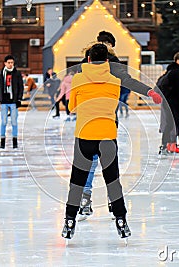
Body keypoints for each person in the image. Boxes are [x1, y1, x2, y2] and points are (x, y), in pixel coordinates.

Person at [76, 30, 162, 220]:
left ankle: (86, 199)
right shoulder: (113, 65)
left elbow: (75, 92)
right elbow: (129, 82)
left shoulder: (85, 64)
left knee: (89, 161)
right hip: (106, 120)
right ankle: (111, 201)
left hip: (86, 121)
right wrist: (149, 92)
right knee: (108, 162)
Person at [61, 43, 130, 240]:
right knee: (113, 181)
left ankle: (69, 221)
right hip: (107, 135)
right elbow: (113, 105)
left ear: (89, 59)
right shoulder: (115, 81)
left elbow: (72, 106)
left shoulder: (78, 79)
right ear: (107, 61)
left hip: (85, 135)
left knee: (77, 181)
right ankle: (121, 220)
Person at [158, 52, 179, 157]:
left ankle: (163, 146)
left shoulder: (168, 71)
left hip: (167, 102)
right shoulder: (177, 72)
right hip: (175, 102)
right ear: (178, 60)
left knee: (169, 124)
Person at [0, 55, 24, 149]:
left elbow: (20, 87)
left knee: (14, 122)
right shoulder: (1, 74)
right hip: (4, 100)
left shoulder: (17, 73)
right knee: (4, 121)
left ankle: (15, 142)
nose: (10, 64)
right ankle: (2, 141)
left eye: (12, 63)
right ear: (5, 63)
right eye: (9, 63)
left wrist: (19, 99)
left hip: (13, 101)